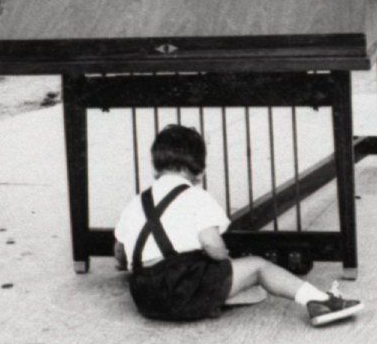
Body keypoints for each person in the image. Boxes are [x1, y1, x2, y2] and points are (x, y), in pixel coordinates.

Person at [112, 124, 363, 327]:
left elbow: (120, 255)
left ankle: (213, 300)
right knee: (259, 267)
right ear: (198, 168)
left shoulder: (136, 202)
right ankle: (319, 301)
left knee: (220, 279)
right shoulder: (196, 197)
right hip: (184, 289)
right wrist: (224, 260)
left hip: (145, 298)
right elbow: (212, 245)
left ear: (156, 165)